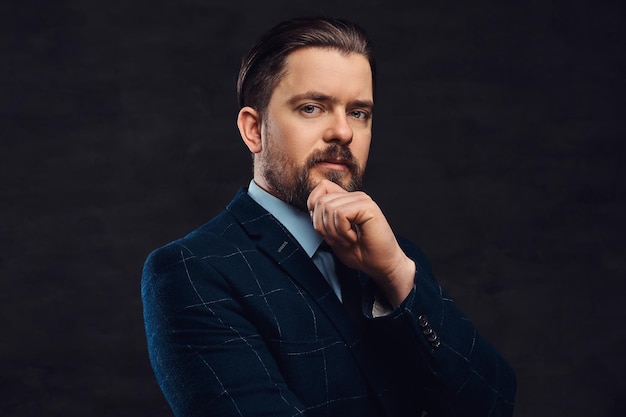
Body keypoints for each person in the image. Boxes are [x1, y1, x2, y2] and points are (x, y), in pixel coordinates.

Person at [142, 16, 516, 417]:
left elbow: (494, 405)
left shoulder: (395, 260)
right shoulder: (191, 271)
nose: (343, 132)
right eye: (311, 107)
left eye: (359, 113)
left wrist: (395, 274)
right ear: (254, 130)